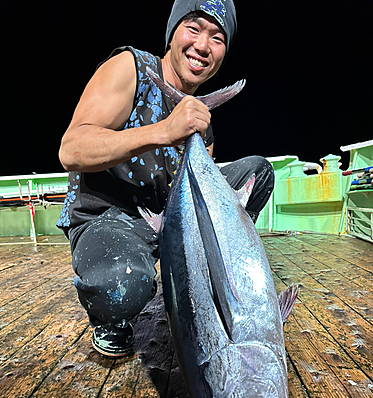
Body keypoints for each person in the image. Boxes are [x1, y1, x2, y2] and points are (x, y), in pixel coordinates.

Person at [57, 0, 275, 358]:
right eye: (193, 28)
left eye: (217, 37)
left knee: (258, 172)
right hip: (110, 219)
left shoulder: (200, 122)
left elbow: (194, 186)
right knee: (121, 285)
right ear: (172, 34)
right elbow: (72, 148)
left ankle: (210, 276)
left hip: (168, 219)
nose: (203, 46)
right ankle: (111, 320)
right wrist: (163, 131)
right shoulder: (131, 68)